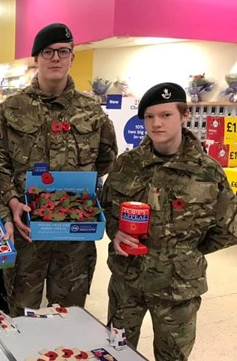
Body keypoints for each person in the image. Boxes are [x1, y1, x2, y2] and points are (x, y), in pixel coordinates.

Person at [0, 23, 118, 316]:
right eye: (47, 52)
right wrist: (11, 200)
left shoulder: (91, 111)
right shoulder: (11, 109)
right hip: (27, 228)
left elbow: (107, 157)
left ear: (72, 57)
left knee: (70, 314)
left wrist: (78, 189)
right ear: (36, 58)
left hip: (74, 232)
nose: (55, 58)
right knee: (22, 311)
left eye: (63, 51)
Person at [101, 82, 237, 360]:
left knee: (172, 357)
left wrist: (187, 249)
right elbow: (107, 207)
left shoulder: (206, 171)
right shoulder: (127, 164)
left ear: (184, 116)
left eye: (165, 115)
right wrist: (115, 234)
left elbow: (229, 226)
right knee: (116, 353)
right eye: (149, 117)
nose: (156, 123)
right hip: (127, 282)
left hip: (178, 288)